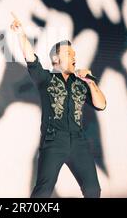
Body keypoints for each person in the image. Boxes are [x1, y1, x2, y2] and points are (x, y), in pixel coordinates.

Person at [10, 12, 107, 198]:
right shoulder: (45, 78)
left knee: (93, 190)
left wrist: (90, 82)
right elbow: (30, 58)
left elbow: (101, 105)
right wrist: (21, 33)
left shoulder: (81, 82)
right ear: (56, 59)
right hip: (54, 141)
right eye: (68, 54)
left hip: (79, 141)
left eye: (74, 54)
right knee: (43, 191)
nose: (73, 57)